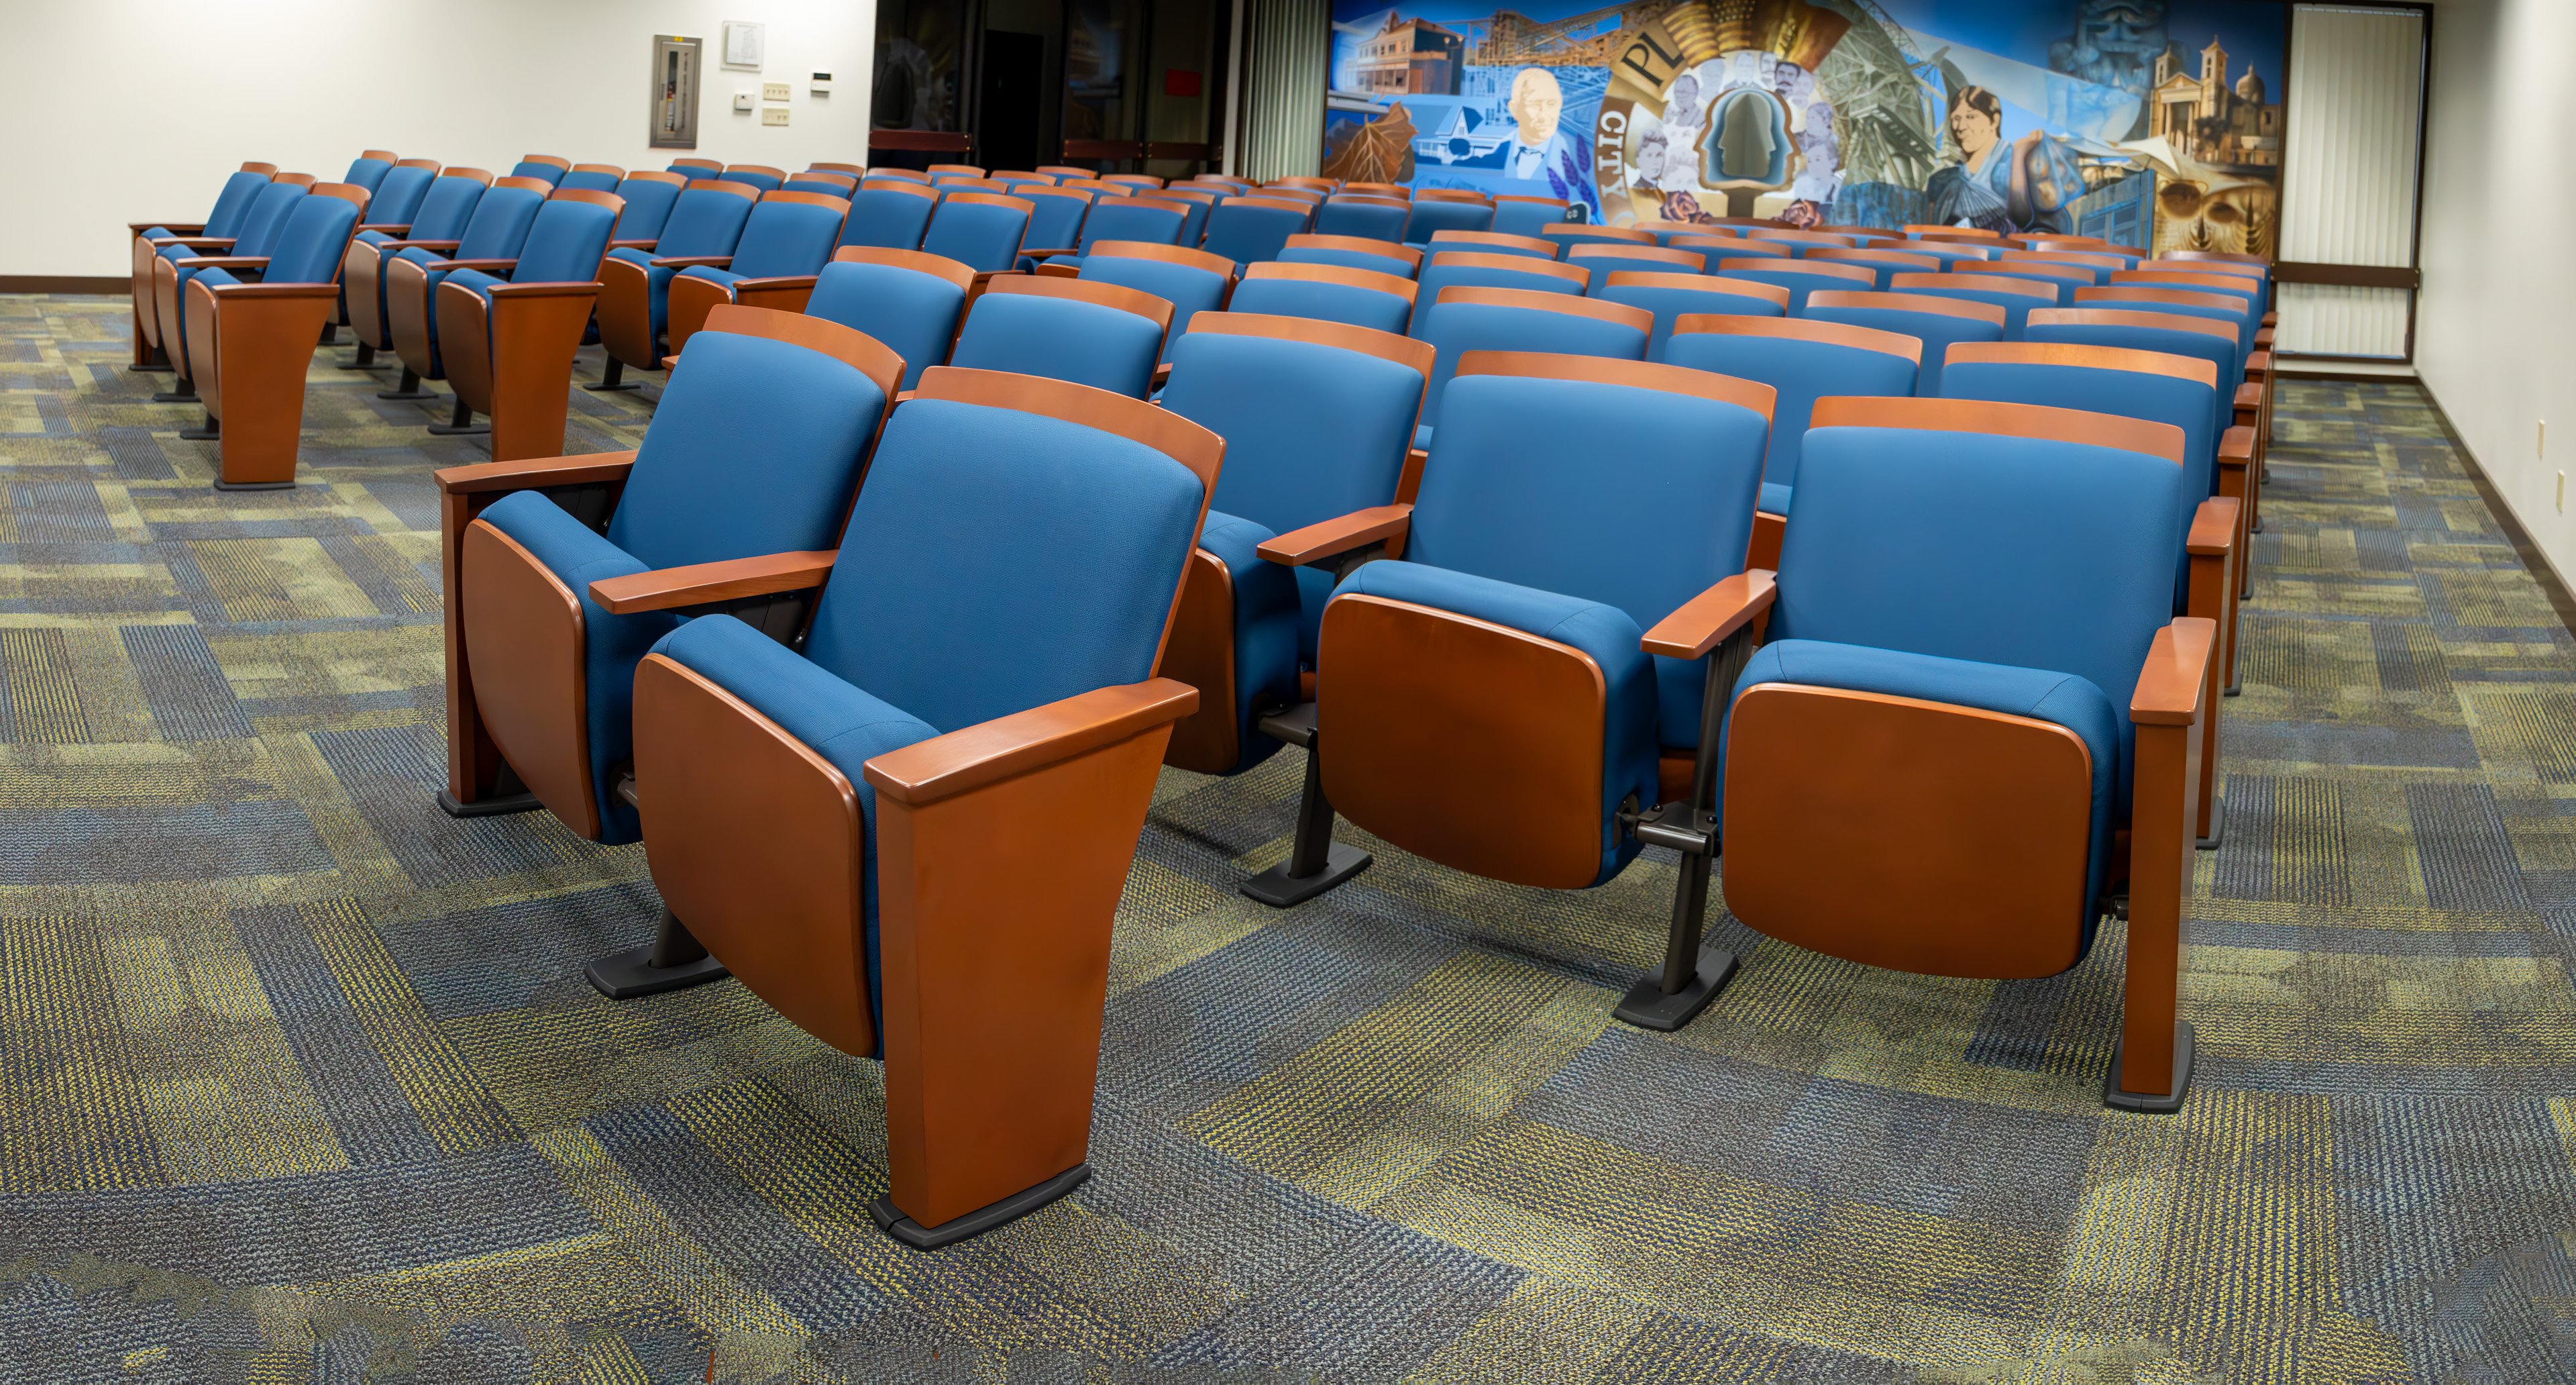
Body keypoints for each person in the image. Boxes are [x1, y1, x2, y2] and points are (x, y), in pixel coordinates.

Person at [1925, 85, 2083, 233]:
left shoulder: (2029, 165)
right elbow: (1934, 234)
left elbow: (2048, 225)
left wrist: (2020, 154)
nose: (1960, 127)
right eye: (1956, 118)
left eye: (1971, 116)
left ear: (1995, 120)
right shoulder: (1942, 181)